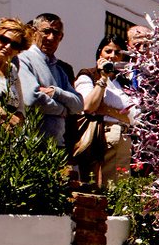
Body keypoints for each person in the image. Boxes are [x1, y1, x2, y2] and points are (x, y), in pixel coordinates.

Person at [73, 36, 136, 187]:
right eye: (108, 51)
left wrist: (107, 110)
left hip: (124, 140)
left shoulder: (123, 82)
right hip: (102, 138)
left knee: (120, 187)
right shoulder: (88, 75)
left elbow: (134, 117)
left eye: (117, 53)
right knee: (102, 185)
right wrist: (102, 79)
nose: (112, 56)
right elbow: (88, 106)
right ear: (100, 53)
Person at [18, 13, 83, 147]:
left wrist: (55, 92)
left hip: (56, 146)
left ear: (61, 37)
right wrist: (63, 110)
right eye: (46, 32)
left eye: (56, 33)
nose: (51, 37)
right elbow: (32, 99)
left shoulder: (58, 68)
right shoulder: (24, 59)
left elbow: (78, 105)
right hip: (30, 145)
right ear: (34, 32)